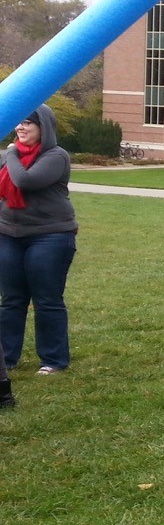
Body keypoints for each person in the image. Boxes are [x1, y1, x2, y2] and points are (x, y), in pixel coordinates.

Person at [0, 104, 77, 375]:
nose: (20, 127)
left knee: (47, 299)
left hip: (50, 236)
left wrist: (9, 153)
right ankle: (6, 358)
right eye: (18, 123)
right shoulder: (10, 158)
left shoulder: (56, 156)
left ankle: (53, 360)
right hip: (9, 235)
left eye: (28, 123)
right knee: (11, 298)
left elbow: (25, 181)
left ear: (43, 128)